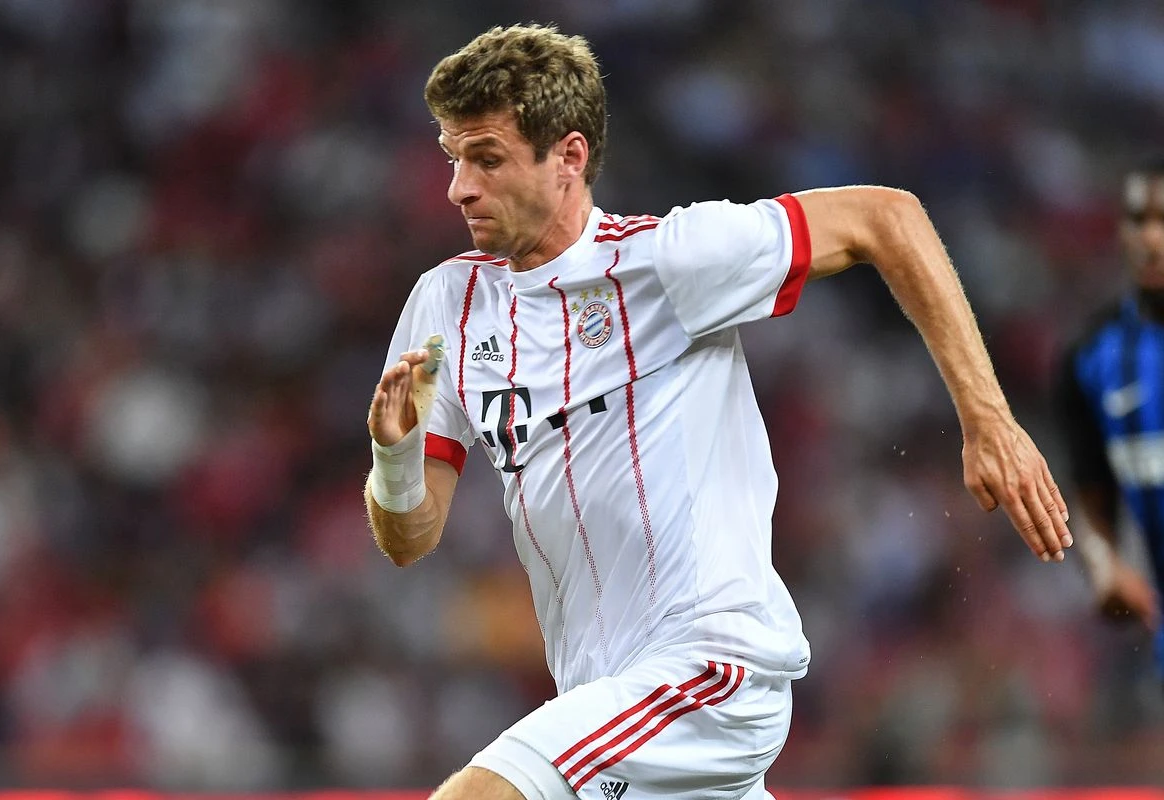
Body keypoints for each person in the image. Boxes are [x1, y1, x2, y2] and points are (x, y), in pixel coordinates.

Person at [365, 24, 1072, 800]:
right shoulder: (448, 304)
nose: (458, 188)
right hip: (608, 695)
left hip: (709, 667)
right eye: (453, 158)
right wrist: (394, 461)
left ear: (568, 156)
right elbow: (410, 538)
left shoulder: (667, 259)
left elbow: (887, 216)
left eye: (487, 159)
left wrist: (989, 420)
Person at [1054, 158, 1164, 677]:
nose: (1151, 239)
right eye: (1139, 219)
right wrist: (1105, 567)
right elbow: (1090, 494)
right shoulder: (1091, 358)